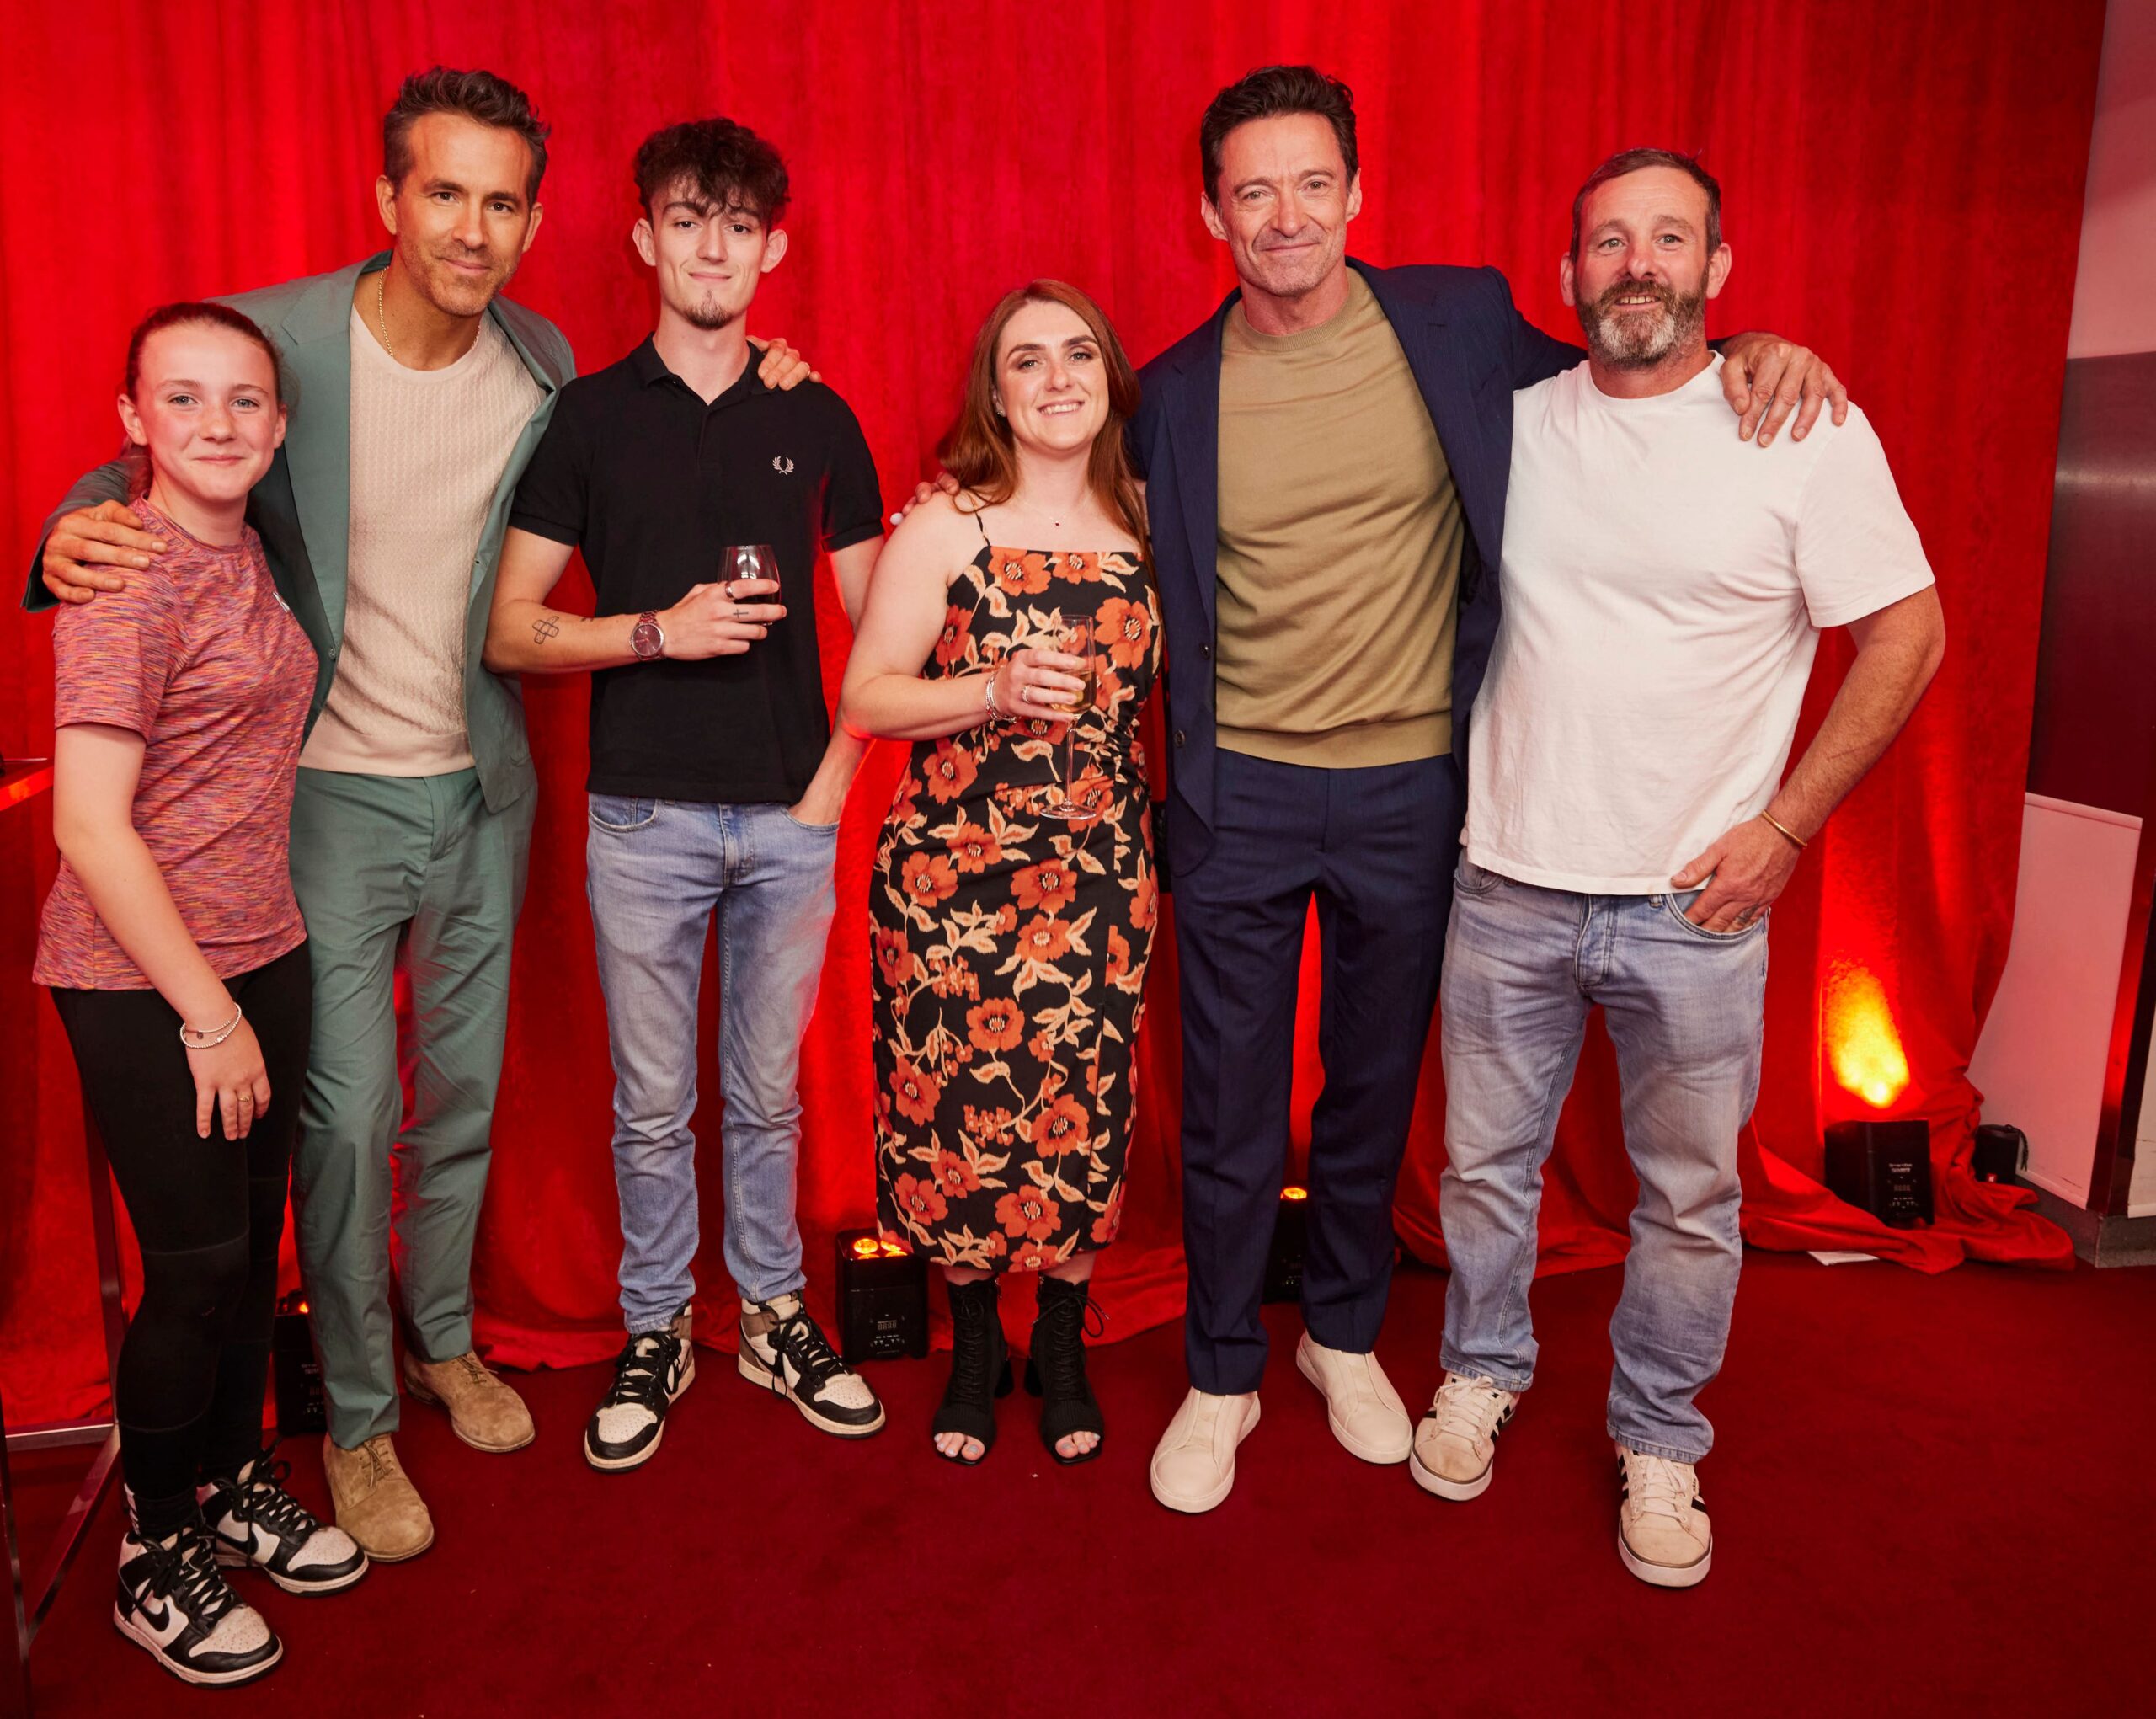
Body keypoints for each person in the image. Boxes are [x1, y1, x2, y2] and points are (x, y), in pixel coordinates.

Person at [29, 70, 812, 1556]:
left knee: (459, 1094)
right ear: (387, 199)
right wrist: (75, 517)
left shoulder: (543, 353)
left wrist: (765, 372)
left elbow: (631, 448)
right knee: (345, 1112)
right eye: (442, 192)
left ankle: (444, 1336)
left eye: (503, 200)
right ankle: (362, 1415)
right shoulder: (291, 341)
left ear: (532, 220)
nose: (473, 226)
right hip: (320, 796)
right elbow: (177, 425)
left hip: (483, 782)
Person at [1129, 66, 1852, 1515]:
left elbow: (1634, 356)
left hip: (1416, 789)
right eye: (1253, 189)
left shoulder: (1456, 325)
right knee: (1229, 1101)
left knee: (1375, 1092)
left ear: (1355, 194)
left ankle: (1341, 1336)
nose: (1287, 215)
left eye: (1312, 182)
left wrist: (1759, 340)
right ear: (1213, 213)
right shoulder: (1167, 392)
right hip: (1240, 793)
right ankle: (1222, 1371)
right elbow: (1065, 505)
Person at [1418, 150, 1944, 1588]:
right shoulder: (1509, 423)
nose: (1634, 263)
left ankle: (1660, 1434)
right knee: (1483, 1172)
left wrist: (1785, 828)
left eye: (1668, 240)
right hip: (1508, 883)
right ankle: (1481, 1367)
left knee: (1694, 1198)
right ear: (1570, 270)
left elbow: (1908, 632)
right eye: (1607, 241)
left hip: (1697, 907)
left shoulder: (1802, 429)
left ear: (1718, 270)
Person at [486, 117, 887, 1471]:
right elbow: (512, 626)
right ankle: (657, 1324)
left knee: (767, 1094)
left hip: (789, 815)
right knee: (652, 1102)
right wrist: (655, 629)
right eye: (686, 217)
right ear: (643, 238)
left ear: (774, 248)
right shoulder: (587, 418)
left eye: (738, 223)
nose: (711, 244)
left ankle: (770, 1309)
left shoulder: (817, 410)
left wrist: (834, 785)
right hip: (643, 819)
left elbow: (877, 627)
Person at [38, 302, 367, 1688]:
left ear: (278, 428)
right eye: (183, 401)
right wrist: (206, 1014)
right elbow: (91, 826)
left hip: (264, 945)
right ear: (132, 420)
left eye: (244, 403)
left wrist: (249, 988)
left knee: (252, 1252)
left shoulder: (257, 556)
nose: (218, 426)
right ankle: (152, 1547)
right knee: (193, 1274)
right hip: (142, 972)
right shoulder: (124, 575)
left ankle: (232, 1481)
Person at [841, 280, 1160, 1465]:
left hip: (1096, 882)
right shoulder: (947, 526)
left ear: (1110, 377)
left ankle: (1062, 1345)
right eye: (1027, 361)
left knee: (1082, 1118)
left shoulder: (1146, 521)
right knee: (954, 1115)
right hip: (952, 884)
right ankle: (976, 1347)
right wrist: (985, 689)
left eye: (1079, 352)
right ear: (998, 391)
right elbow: (864, 697)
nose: (1057, 377)